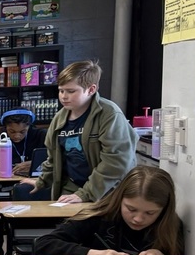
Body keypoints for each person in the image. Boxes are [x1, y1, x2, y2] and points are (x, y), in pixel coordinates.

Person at [17, 60, 137, 203]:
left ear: (91, 89)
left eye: (71, 91)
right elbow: (53, 159)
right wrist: (42, 181)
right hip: (73, 186)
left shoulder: (109, 114)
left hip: (108, 190)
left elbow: (116, 162)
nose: (64, 96)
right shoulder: (59, 117)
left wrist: (85, 194)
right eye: (61, 90)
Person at [34, 166, 183, 255]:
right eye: (131, 209)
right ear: (119, 199)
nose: (138, 219)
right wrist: (91, 254)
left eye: (150, 213)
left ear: (164, 210)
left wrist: (160, 254)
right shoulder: (98, 217)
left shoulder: (169, 226)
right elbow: (43, 244)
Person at [0, 109, 47, 176]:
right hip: (5, 180)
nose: (17, 136)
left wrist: (37, 165)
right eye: (12, 131)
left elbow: (52, 163)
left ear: (29, 126)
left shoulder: (42, 136)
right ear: (5, 127)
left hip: (36, 180)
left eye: (22, 132)